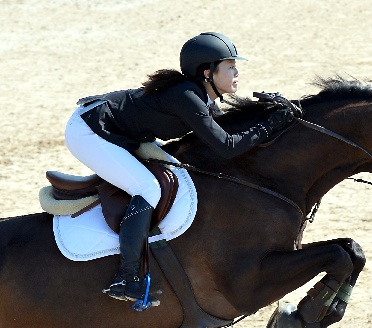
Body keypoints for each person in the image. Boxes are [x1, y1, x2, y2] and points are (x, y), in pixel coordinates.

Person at [64, 32, 295, 307]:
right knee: (146, 188)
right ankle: (126, 277)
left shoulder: (200, 96)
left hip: (117, 130)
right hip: (89, 132)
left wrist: (265, 112)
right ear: (208, 72)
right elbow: (228, 146)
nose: (237, 72)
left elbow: (225, 130)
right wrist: (269, 125)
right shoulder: (186, 96)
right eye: (230, 66)